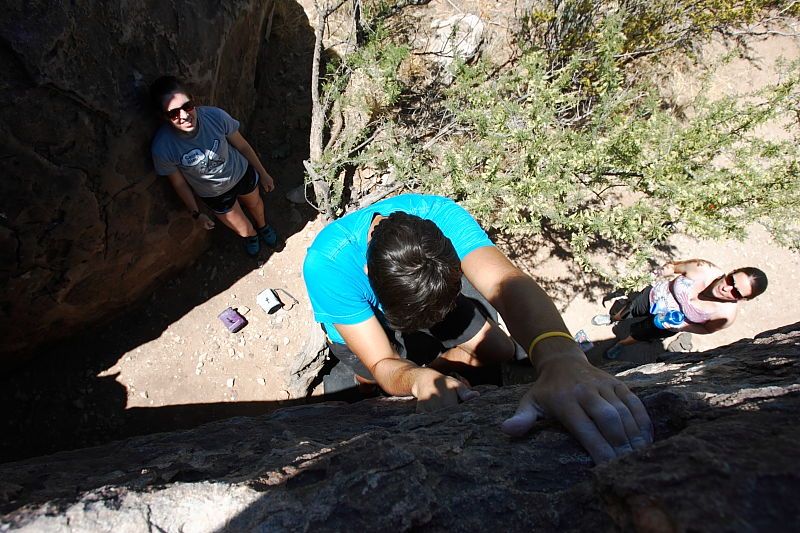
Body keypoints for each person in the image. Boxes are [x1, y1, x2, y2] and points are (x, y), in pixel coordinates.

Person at [303, 193, 653, 464]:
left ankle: (434, 365)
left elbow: (506, 280)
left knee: (498, 350)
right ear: (367, 273)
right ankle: (401, 381)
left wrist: (562, 359)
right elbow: (381, 362)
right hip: (366, 322)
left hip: (434, 299)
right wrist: (413, 379)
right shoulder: (328, 264)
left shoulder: (440, 216)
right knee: (371, 381)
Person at [150, 76, 279, 256]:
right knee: (242, 229)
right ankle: (252, 235)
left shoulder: (215, 116)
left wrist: (263, 173)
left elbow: (242, 145)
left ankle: (263, 226)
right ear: (164, 117)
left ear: (193, 100)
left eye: (187, 106)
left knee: (256, 204)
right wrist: (196, 213)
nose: (185, 115)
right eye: (174, 113)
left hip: (241, 173)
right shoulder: (164, 147)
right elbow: (179, 184)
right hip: (215, 194)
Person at [592, 259, 768, 358]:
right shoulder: (702, 269)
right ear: (731, 272)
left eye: (736, 292)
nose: (726, 288)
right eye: (731, 280)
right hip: (653, 297)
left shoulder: (725, 316)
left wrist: (681, 326)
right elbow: (673, 266)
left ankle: (621, 344)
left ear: (743, 299)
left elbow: (706, 329)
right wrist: (656, 274)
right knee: (629, 310)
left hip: (668, 324)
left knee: (641, 334)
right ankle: (612, 319)